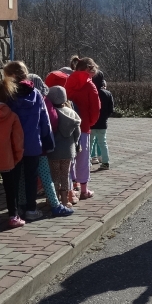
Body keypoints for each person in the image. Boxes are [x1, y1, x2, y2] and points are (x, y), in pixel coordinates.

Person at [3, 61, 70, 217]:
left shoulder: (8, 95)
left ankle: (18, 208)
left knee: (16, 178)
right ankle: (31, 209)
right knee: (31, 177)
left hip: (14, 143)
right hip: (34, 143)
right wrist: (47, 140)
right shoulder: (36, 94)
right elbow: (44, 121)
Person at [0, 79, 27, 227]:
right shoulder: (12, 116)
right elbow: (17, 139)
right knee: (10, 187)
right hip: (7, 157)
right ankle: (13, 215)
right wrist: (17, 156)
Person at [65, 58, 102, 200]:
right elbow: (96, 108)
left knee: (70, 158)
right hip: (84, 126)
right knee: (83, 158)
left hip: (68, 125)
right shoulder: (89, 85)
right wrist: (89, 122)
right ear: (89, 69)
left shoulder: (69, 81)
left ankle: (71, 188)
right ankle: (84, 190)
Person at [47, 86, 81, 208]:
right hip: (68, 150)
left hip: (54, 151)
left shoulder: (51, 113)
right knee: (65, 175)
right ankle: (65, 200)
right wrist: (76, 143)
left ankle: (54, 199)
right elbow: (77, 132)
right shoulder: (71, 113)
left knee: (54, 174)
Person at [90, 72, 114, 171]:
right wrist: (105, 117)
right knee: (103, 143)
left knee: (89, 144)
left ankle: (88, 162)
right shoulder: (107, 93)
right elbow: (111, 109)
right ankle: (105, 162)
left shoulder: (91, 92)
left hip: (91, 123)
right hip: (103, 123)